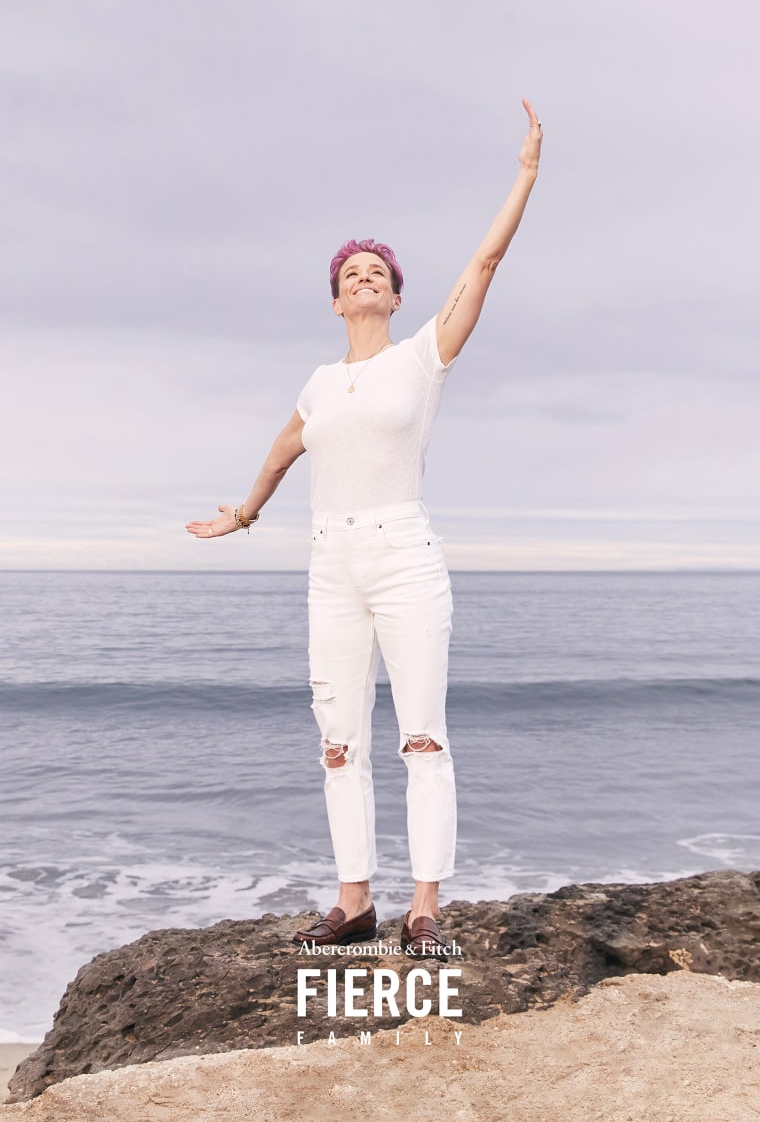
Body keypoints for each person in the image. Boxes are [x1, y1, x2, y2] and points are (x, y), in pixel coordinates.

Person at [187, 99, 542, 957]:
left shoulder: (422, 358)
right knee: (339, 744)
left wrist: (525, 174)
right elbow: (284, 447)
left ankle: (424, 908)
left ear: (395, 293)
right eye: (351, 274)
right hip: (329, 562)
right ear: (336, 299)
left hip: (403, 555)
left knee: (422, 735)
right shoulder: (318, 383)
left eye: (377, 271)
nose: (365, 278)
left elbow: (484, 265)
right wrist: (244, 513)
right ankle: (354, 903)